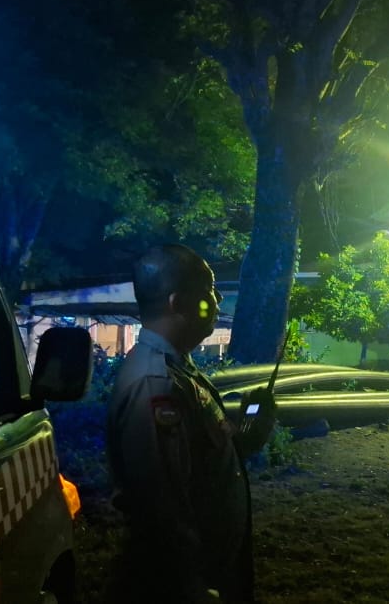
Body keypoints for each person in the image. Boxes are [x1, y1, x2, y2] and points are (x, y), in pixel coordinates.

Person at [106, 244, 277, 603]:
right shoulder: (156, 384)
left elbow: (200, 461)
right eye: (209, 290)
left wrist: (249, 434)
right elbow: (162, 508)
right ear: (178, 303)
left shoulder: (179, 370)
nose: (217, 300)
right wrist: (193, 588)